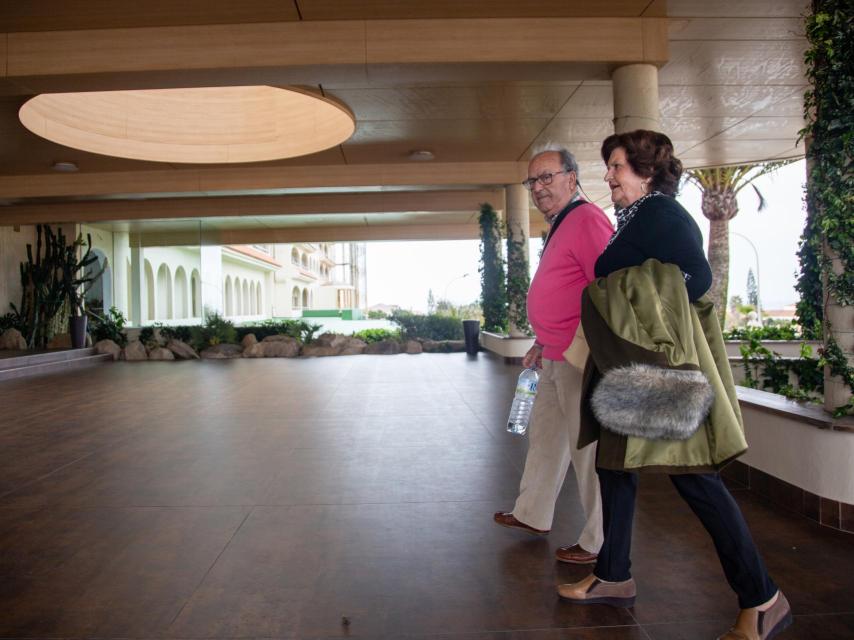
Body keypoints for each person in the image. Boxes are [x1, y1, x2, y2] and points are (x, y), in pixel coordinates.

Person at [557, 129, 791, 640]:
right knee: (614, 466)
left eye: (616, 167)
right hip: (629, 369)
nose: (610, 176)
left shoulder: (662, 214)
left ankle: (762, 596)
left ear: (645, 172)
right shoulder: (636, 218)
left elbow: (697, 279)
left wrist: (635, 294)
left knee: (694, 476)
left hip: (660, 370)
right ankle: (613, 574)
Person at [493, 143, 612, 565]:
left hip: (579, 357)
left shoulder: (586, 219)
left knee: (587, 453)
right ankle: (533, 514)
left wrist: (577, 342)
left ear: (572, 177)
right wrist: (543, 340)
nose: (539, 187)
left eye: (548, 177)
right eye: (533, 180)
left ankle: (600, 540)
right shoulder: (562, 224)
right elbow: (564, 291)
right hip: (553, 354)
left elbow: (608, 286)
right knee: (545, 440)